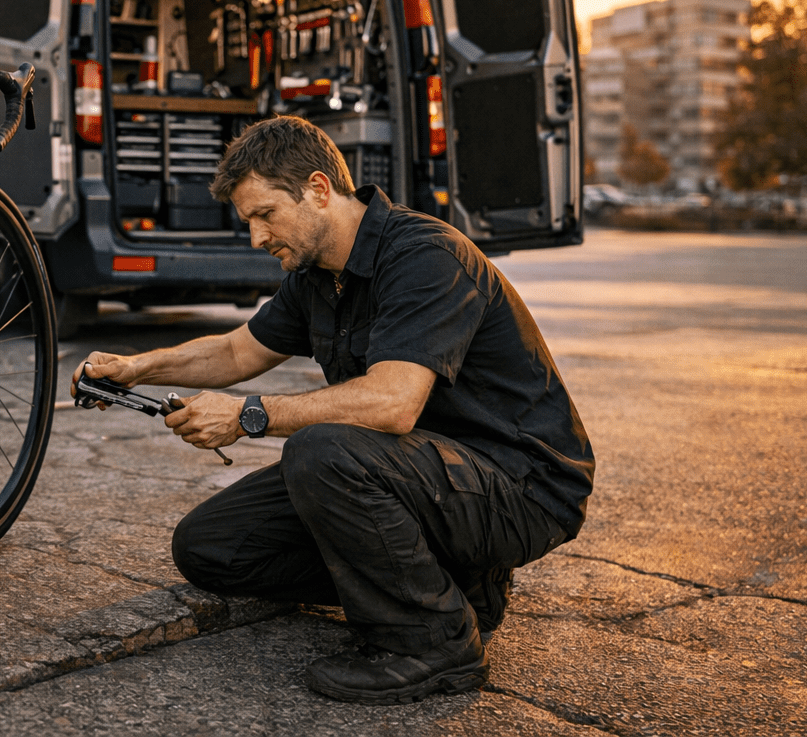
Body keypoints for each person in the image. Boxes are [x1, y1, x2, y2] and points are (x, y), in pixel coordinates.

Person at [73, 115, 594, 704]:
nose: (256, 238)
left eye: (265, 214)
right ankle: (453, 583)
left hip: (520, 490)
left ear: (318, 190)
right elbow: (238, 350)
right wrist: (136, 367)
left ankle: (433, 642)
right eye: (248, 222)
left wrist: (247, 415)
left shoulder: (426, 255)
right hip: (424, 476)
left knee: (322, 450)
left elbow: (392, 402)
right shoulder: (317, 273)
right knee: (211, 547)